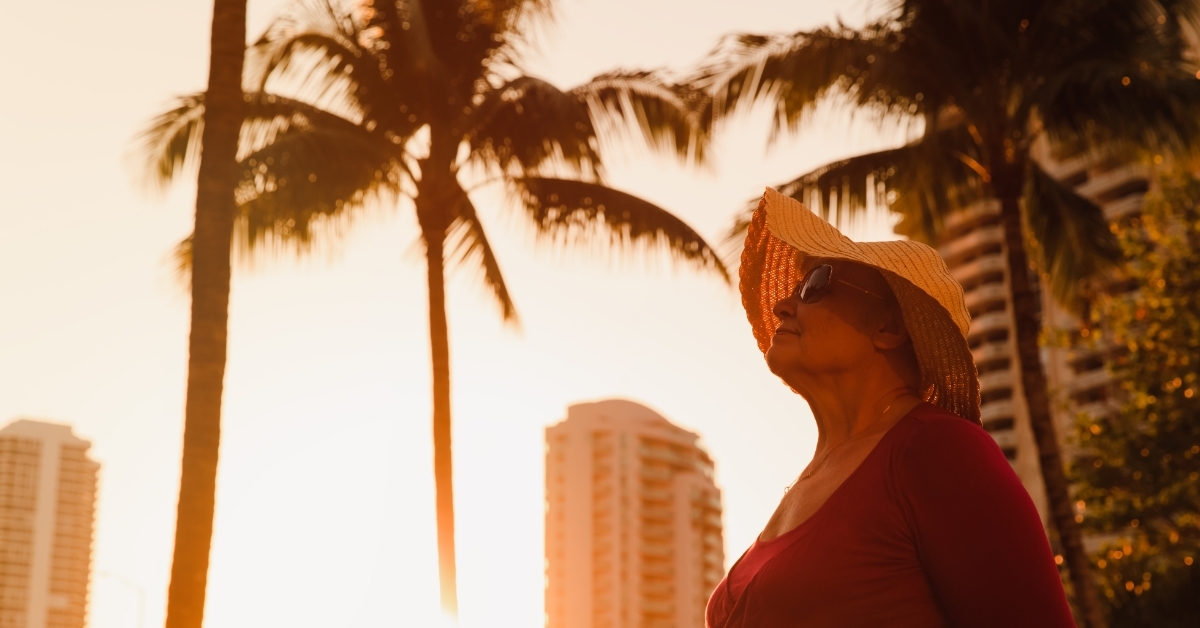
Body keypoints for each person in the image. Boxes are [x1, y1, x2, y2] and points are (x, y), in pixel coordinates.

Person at [706, 188, 1076, 627]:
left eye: (815, 284)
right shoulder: (816, 473)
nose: (782, 304)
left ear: (889, 327)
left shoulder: (937, 449)